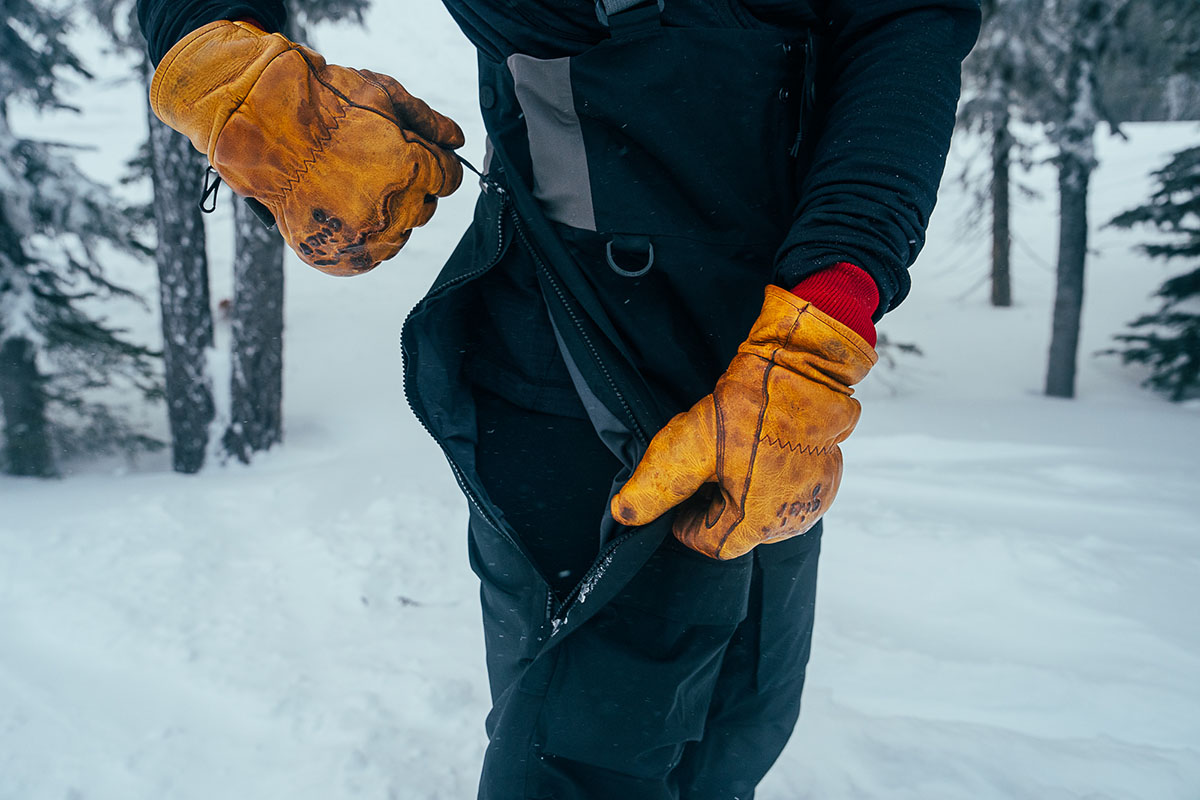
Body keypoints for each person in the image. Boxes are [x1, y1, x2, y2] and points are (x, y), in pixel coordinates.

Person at [138, 1, 980, 797]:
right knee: (584, 760)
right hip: (575, 373)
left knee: (741, 728)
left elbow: (903, 20)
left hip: (783, 378)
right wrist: (239, 87)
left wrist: (826, 313)